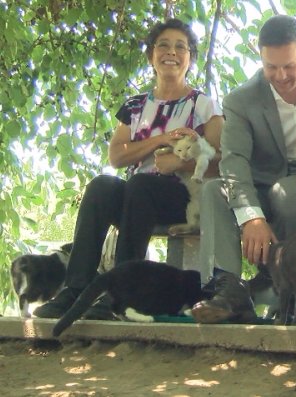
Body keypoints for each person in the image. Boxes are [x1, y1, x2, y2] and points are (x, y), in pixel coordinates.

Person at [34, 18, 224, 319]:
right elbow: (117, 156)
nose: (171, 52)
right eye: (163, 45)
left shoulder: (204, 105)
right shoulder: (135, 106)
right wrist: (159, 139)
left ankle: (117, 294)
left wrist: (182, 162)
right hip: (138, 196)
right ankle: (76, 288)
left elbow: (220, 159)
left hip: (182, 197)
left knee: (140, 186)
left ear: (190, 58)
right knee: (102, 185)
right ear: (151, 55)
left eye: (180, 47)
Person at [191, 15, 296, 323]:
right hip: (260, 183)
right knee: (215, 189)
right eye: (271, 67)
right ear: (261, 58)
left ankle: (294, 295)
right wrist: (251, 216)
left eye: (290, 66)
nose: (281, 75)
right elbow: (234, 161)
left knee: (287, 193)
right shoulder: (240, 100)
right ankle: (229, 289)